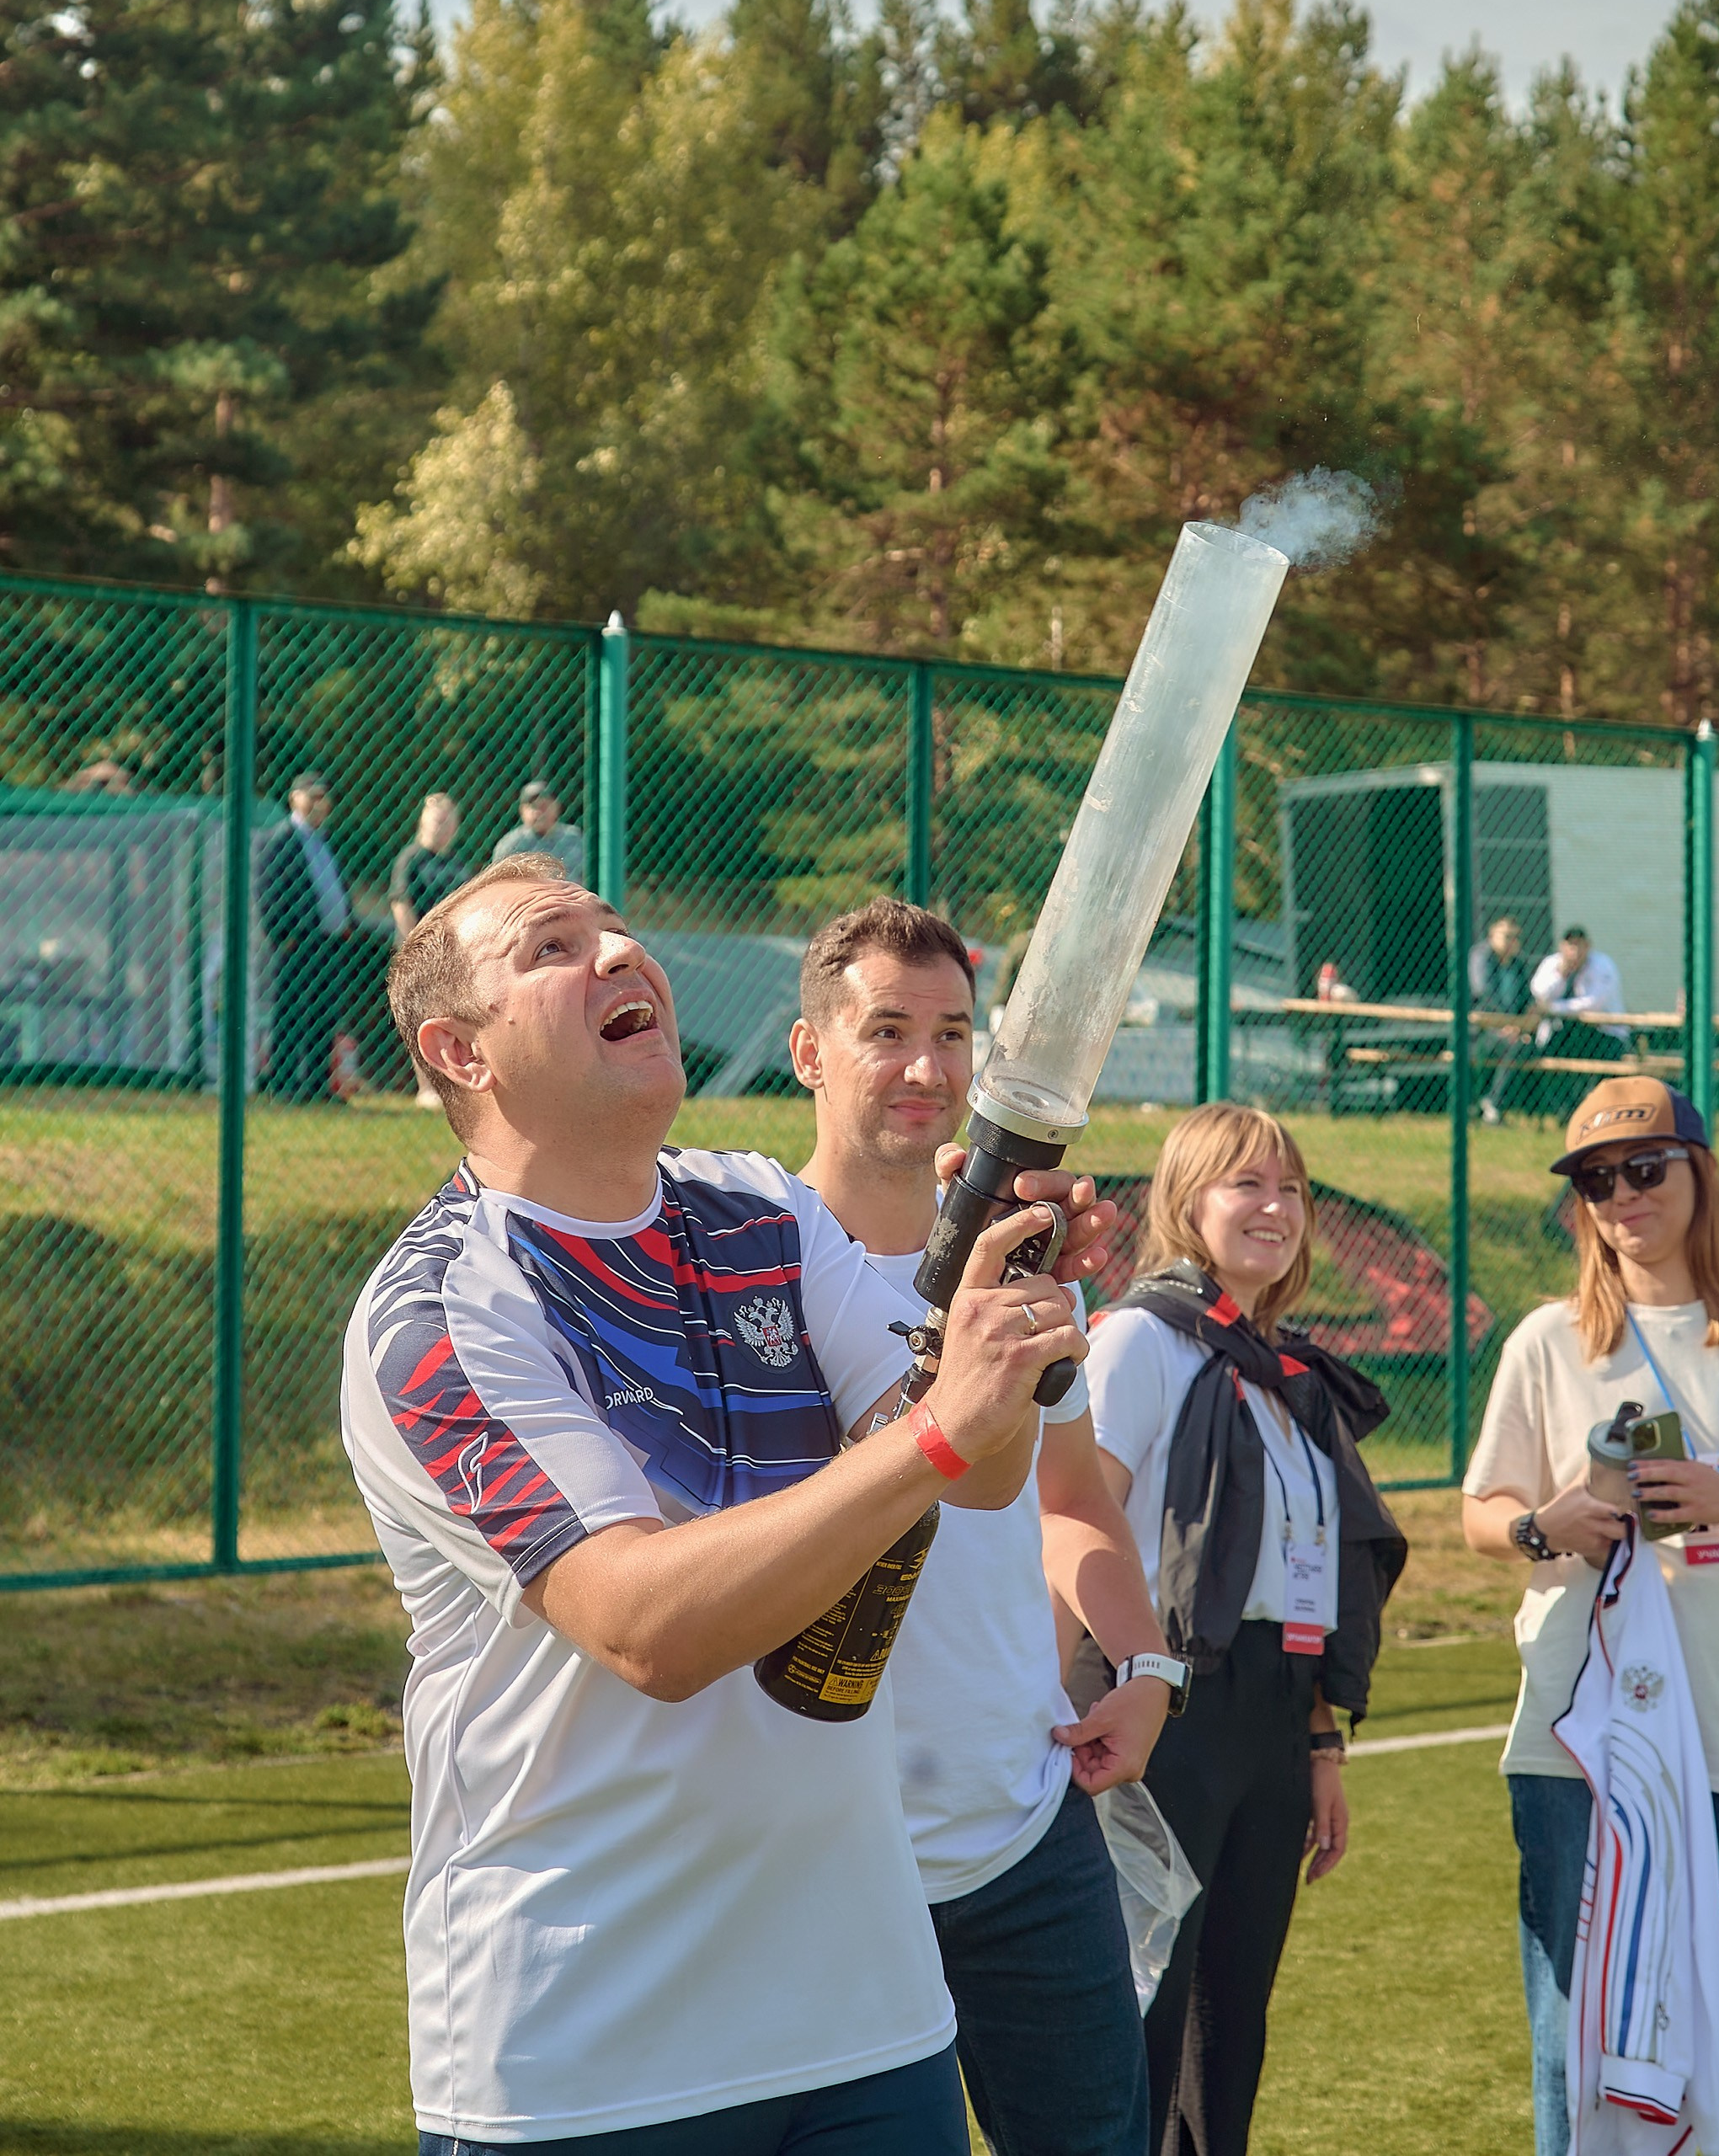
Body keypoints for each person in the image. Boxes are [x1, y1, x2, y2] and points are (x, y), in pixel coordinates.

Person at [343, 853, 1107, 2156]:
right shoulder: (443, 1311)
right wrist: (939, 1423)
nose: (621, 952)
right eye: (552, 948)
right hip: (589, 2049)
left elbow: (980, 1476)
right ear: (458, 1053)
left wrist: (992, 1336)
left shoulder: (759, 1208)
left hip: (866, 2020)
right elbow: (651, 1628)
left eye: (616, 928)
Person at [789, 896, 1167, 2156]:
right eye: (885, 1030)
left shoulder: (1022, 1276)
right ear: (809, 1052)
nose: (925, 1068)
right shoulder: (745, 1261)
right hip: (819, 1855)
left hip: (1023, 1836)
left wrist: (1149, 1665)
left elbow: (1071, 1503)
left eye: (954, 1035)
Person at [1462, 1075, 1719, 2156]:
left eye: (1645, 1167)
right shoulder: (1546, 1338)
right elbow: (1481, 1513)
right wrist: (1545, 1527)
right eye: (1596, 1180)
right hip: (1582, 1742)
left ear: (1700, 1172)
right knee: (1578, 2045)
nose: (1621, 1194)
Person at [1084, 1103, 1407, 2156]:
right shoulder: (1138, 1338)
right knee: (1139, 2010)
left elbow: (1311, 1586)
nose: (1275, 1207)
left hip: (1273, 1714)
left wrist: (1319, 1742)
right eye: (1245, 1185)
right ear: (1186, 1202)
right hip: (1163, 1700)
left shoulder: (1288, 1375)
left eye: (1291, 1188)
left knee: (1232, 2023)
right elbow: (1070, 1521)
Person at [260, 772, 352, 1103]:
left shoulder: (325, 840)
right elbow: (268, 894)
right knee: (291, 1015)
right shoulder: (282, 840)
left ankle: (317, 1087)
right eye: (311, 796)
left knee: (323, 1016)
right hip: (298, 945)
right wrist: (284, 937)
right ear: (293, 799)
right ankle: (283, 1087)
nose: (319, 803)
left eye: (323, 796)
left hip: (329, 945)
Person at [1531, 923, 1630, 1068]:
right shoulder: (1552, 963)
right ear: (1561, 947)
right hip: (1563, 1032)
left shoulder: (1603, 965)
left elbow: (1593, 1004)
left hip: (1604, 1033)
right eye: (1570, 945)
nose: (1575, 951)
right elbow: (1539, 991)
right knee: (1548, 1055)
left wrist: (1553, 1008)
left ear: (1588, 946)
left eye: (1579, 945)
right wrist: (1561, 974)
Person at [1470, 914, 1535, 1125]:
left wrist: (1530, 1014)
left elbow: (1527, 997)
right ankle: (1493, 1105)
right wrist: (1506, 1025)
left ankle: (1493, 1103)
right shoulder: (1482, 957)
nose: (1512, 942)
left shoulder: (1517, 965)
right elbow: (1484, 995)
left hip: (1512, 1032)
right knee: (1517, 1046)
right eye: (1507, 936)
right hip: (1481, 1031)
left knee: (1525, 1046)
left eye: (1516, 937)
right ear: (1492, 936)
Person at [391, 793, 469, 942]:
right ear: (424, 823)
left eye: (449, 823)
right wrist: (414, 945)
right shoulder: (410, 858)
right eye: (439, 822)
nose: (445, 828)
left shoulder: (457, 863)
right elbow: (401, 904)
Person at [492, 779, 585, 884]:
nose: (539, 812)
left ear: (557, 807)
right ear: (522, 811)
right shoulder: (511, 844)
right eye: (533, 807)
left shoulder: (574, 837)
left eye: (544, 806)